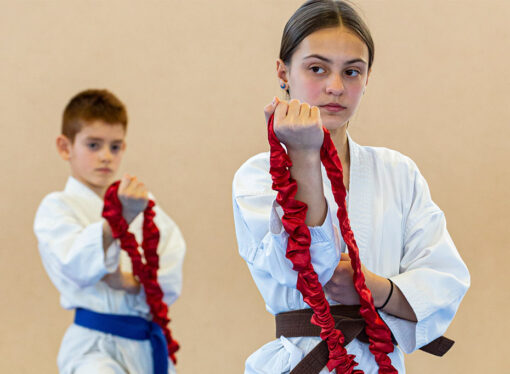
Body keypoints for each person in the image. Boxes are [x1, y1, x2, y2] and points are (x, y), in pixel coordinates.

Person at [232, 1, 470, 373]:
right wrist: (305, 158)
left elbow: (445, 281)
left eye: (352, 71)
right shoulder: (257, 177)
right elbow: (308, 271)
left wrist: (374, 289)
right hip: (301, 359)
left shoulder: (398, 172)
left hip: (380, 361)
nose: (335, 87)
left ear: (367, 78)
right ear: (283, 72)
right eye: (317, 68)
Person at [34, 89, 186, 374]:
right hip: (94, 347)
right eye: (93, 145)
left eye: (115, 147)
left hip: (144, 344)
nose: (105, 156)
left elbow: (171, 268)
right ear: (65, 147)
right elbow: (73, 264)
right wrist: (117, 220)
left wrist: (129, 282)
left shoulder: (144, 203)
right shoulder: (57, 208)